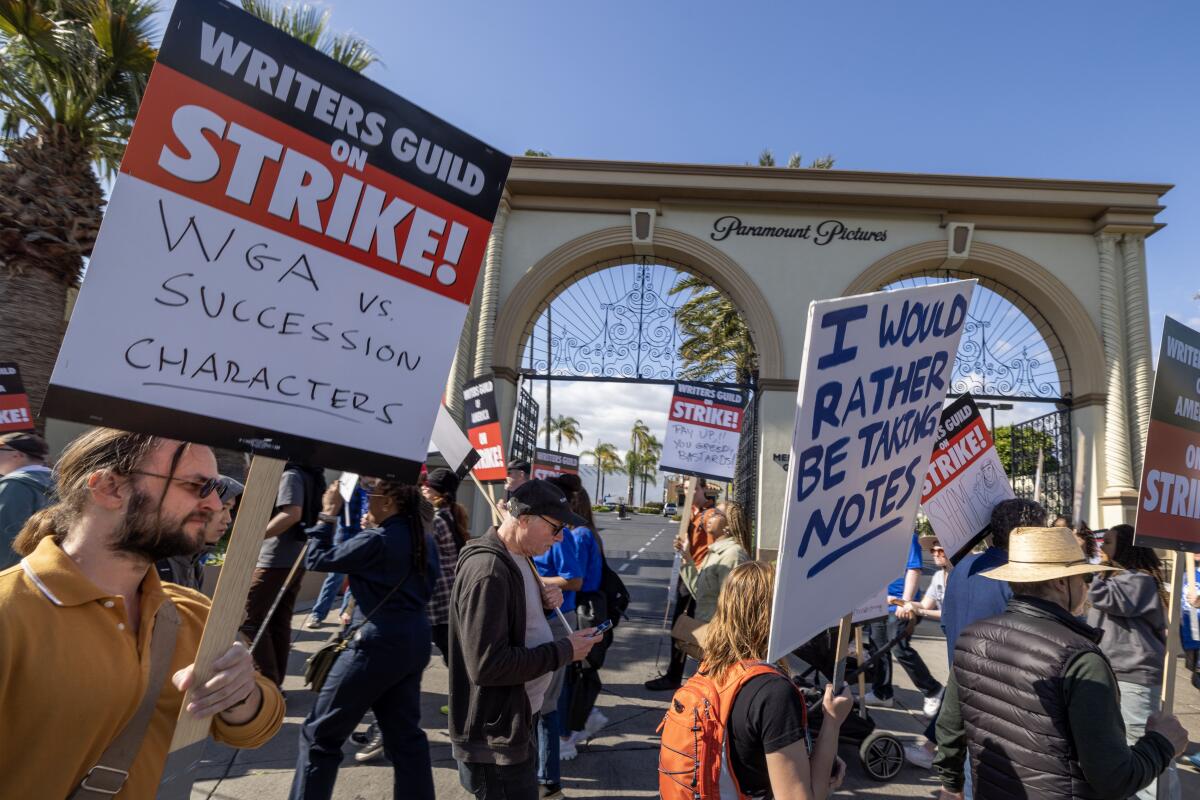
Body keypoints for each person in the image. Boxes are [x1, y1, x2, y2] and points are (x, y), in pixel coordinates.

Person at [0, 428, 284, 797]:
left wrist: (242, 696)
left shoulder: (194, 610)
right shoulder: (11, 610)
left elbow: (255, 730)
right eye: (195, 486)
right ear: (109, 488)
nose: (215, 505)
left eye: (214, 488)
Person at [934, 526, 1189, 800]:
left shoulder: (971, 638)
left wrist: (951, 786)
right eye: (1083, 577)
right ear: (1060, 583)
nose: (1086, 585)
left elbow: (949, 730)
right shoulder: (1081, 660)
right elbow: (1113, 778)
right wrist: (1162, 743)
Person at [289, 478, 439, 800]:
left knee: (319, 736)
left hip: (375, 644)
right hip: (412, 640)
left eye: (370, 496)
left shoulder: (379, 539)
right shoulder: (424, 539)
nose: (365, 501)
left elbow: (318, 560)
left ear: (387, 502)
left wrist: (327, 515)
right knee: (405, 739)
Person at [449, 479, 599, 800]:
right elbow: (488, 665)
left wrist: (542, 598)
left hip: (516, 723)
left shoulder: (519, 556)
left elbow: (515, 622)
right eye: (555, 528)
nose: (559, 538)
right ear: (525, 519)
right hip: (496, 738)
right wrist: (565, 650)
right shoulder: (489, 570)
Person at [706, 561, 850, 800]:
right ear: (773, 616)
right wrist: (833, 723)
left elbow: (750, 755)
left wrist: (818, 759)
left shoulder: (711, 670)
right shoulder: (774, 694)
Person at [1088, 524, 1180, 799]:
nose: (1102, 548)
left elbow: (1103, 597)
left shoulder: (1138, 580)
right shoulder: (1119, 577)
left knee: (1148, 744)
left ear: (1125, 546)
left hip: (1134, 677)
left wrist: (1088, 567)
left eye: (1109, 542)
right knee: (1123, 746)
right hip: (1115, 673)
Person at [241, 462, 326, 687]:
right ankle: (274, 684)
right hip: (293, 558)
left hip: (275, 559)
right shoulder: (309, 473)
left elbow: (292, 513)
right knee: (278, 621)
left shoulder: (291, 474)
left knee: (250, 619)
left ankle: (267, 684)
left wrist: (254, 536)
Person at [549, 474, 608, 761]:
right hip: (581, 609)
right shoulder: (584, 533)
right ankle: (582, 721)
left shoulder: (578, 534)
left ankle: (568, 732)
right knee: (571, 677)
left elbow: (577, 579)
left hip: (577, 610)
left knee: (567, 680)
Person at [941, 498, 1046, 656]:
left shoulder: (960, 568)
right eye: (1044, 533)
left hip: (958, 673)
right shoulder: (1022, 579)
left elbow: (946, 624)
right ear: (1029, 535)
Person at [531, 484, 583, 790]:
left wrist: (535, 580)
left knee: (545, 705)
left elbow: (574, 579)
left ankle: (548, 780)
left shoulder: (559, 535)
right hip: (545, 621)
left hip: (556, 623)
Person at [646, 478, 718, 691]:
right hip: (687, 577)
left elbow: (714, 551)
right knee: (682, 628)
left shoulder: (711, 515)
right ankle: (676, 675)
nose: (688, 493)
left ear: (703, 489)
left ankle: (701, 678)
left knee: (699, 631)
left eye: (693, 489)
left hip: (701, 579)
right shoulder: (691, 514)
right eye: (686, 489)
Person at [865, 531, 943, 715]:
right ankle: (882, 693)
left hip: (900, 604)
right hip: (880, 601)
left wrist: (905, 602)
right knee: (878, 648)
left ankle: (933, 690)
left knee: (898, 648)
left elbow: (914, 569)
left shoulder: (907, 536)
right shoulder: (876, 536)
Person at [904, 535, 954, 769]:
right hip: (952, 641)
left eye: (940, 550)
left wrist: (919, 612)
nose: (935, 554)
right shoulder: (937, 576)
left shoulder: (961, 576)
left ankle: (928, 749)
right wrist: (900, 602)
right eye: (933, 551)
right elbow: (925, 606)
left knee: (954, 698)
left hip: (964, 642)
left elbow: (946, 614)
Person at [156, 475, 243, 591]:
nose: (228, 519)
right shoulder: (160, 565)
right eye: (223, 508)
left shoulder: (194, 564)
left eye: (230, 510)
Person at [305, 482, 367, 629]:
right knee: (334, 578)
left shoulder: (369, 488)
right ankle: (318, 614)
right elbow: (333, 506)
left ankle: (345, 614)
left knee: (354, 580)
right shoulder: (345, 483)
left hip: (361, 539)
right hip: (343, 540)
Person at [0, 431, 54, 570]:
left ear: (17, 455)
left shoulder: (15, 484)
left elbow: (6, 537)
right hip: (44, 570)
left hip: (13, 575)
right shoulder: (60, 482)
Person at [691, 510, 750, 623]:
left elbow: (732, 602)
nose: (710, 516)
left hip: (716, 631)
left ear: (728, 525)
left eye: (717, 514)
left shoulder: (732, 555)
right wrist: (687, 558)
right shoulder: (715, 552)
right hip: (705, 628)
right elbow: (701, 592)